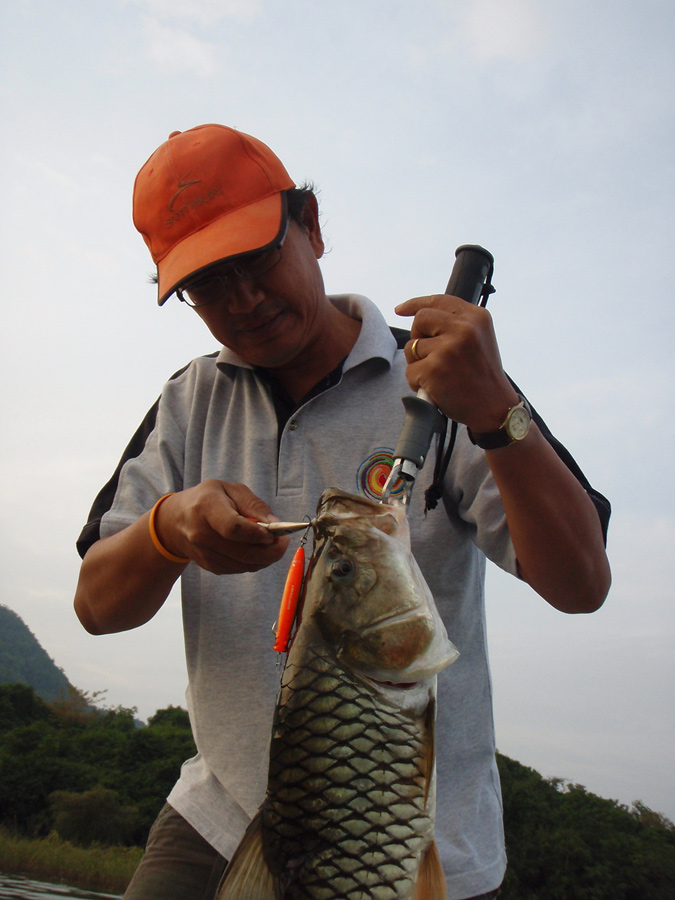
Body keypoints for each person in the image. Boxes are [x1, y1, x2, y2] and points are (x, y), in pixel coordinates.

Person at [74, 124, 611, 900]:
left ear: (312, 225)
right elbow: (95, 605)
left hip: (412, 839)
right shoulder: (189, 401)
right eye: (207, 285)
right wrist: (168, 529)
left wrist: (496, 407)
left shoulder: (446, 383)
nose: (243, 300)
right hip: (220, 818)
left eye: (255, 259)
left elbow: (580, 582)